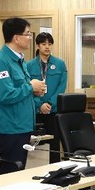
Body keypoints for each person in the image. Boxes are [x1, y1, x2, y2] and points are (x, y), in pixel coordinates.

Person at [0, 18, 46, 174]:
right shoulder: (1, 61)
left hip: (22, 124)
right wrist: (30, 87)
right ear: (16, 38)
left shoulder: (19, 59)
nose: (30, 38)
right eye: (27, 34)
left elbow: (21, 89)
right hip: (10, 126)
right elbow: (6, 95)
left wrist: (35, 90)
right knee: (11, 170)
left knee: (18, 169)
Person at [26, 32, 67, 162]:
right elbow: (27, 88)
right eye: (44, 44)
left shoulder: (60, 64)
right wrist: (40, 104)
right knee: (35, 144)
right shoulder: (28, 65)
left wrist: (49, 103)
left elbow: (61, 87)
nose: (47, 47)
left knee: (54, 144)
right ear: (38, 46)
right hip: (35, 111)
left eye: (49, 44)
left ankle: (54, 168)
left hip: (53, 110)